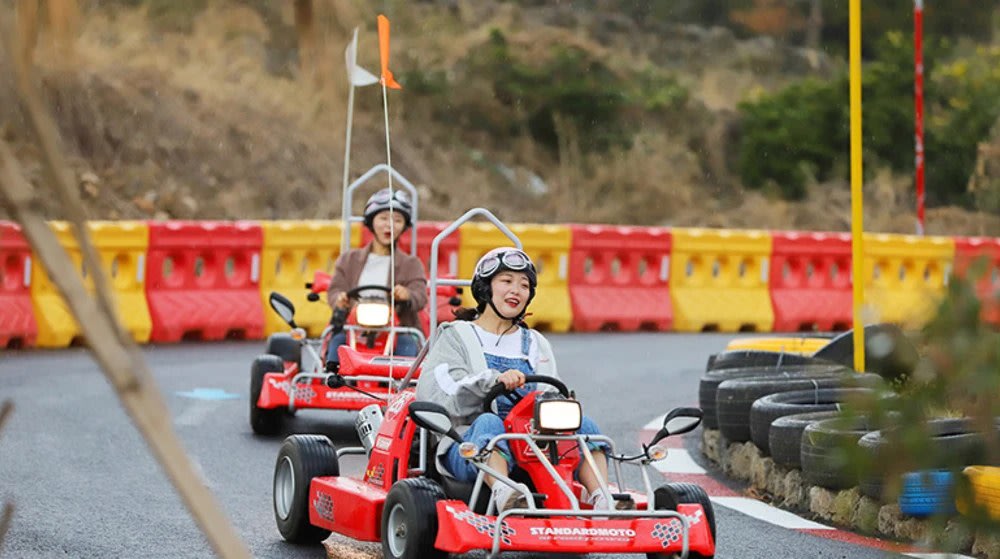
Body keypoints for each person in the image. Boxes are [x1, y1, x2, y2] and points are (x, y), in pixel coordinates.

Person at [416, 247, 631, 513]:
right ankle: (505, 492)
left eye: (524, 285)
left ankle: (602, 497)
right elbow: (440, 392)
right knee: (489, 422)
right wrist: (492, 381)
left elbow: (549, 390)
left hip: (533, 446)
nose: (516, 290)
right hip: (467, 444)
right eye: (506, 281)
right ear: (485, 288)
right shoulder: (456, 335)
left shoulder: (534, 342)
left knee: (586, 425)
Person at [324, 188, 427, 369]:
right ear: (371, 221)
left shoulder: (411, 264)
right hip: (355, 328)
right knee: (337, 342)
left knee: (408, 345)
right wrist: (339, 299)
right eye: (383, 218)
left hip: (396, 329)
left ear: (404, 226)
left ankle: (403, 382)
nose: (390, 225)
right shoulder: (349, 259)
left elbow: (420, 296)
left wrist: (407, 294)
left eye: (397, 220)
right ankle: (332, 377)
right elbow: (334, 290)